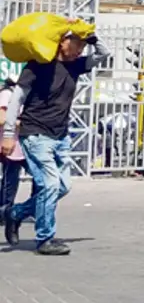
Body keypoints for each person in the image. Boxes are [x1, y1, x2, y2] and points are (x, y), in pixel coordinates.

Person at [2, 30, 110, 254]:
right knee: (49, 185)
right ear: (62, 42)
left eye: (83, 45)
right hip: (35, 135)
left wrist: (93, 37)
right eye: (77, 43)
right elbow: (17, 98)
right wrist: (8, 133)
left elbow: (103, 53)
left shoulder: (76, 65)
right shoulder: (37, 65)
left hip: (60, 136)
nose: (81, 49)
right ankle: (45, 239)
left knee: (62, 187)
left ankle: (15, 213)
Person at [0, 77, 37, 219]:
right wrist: (23, 123)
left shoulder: (29, 96)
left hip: (26, 144)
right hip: (12, 144)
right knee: (10, 181)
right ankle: (5, 210)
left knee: (38, 176)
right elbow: (2, 118)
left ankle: (32, 209)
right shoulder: (7, 94)